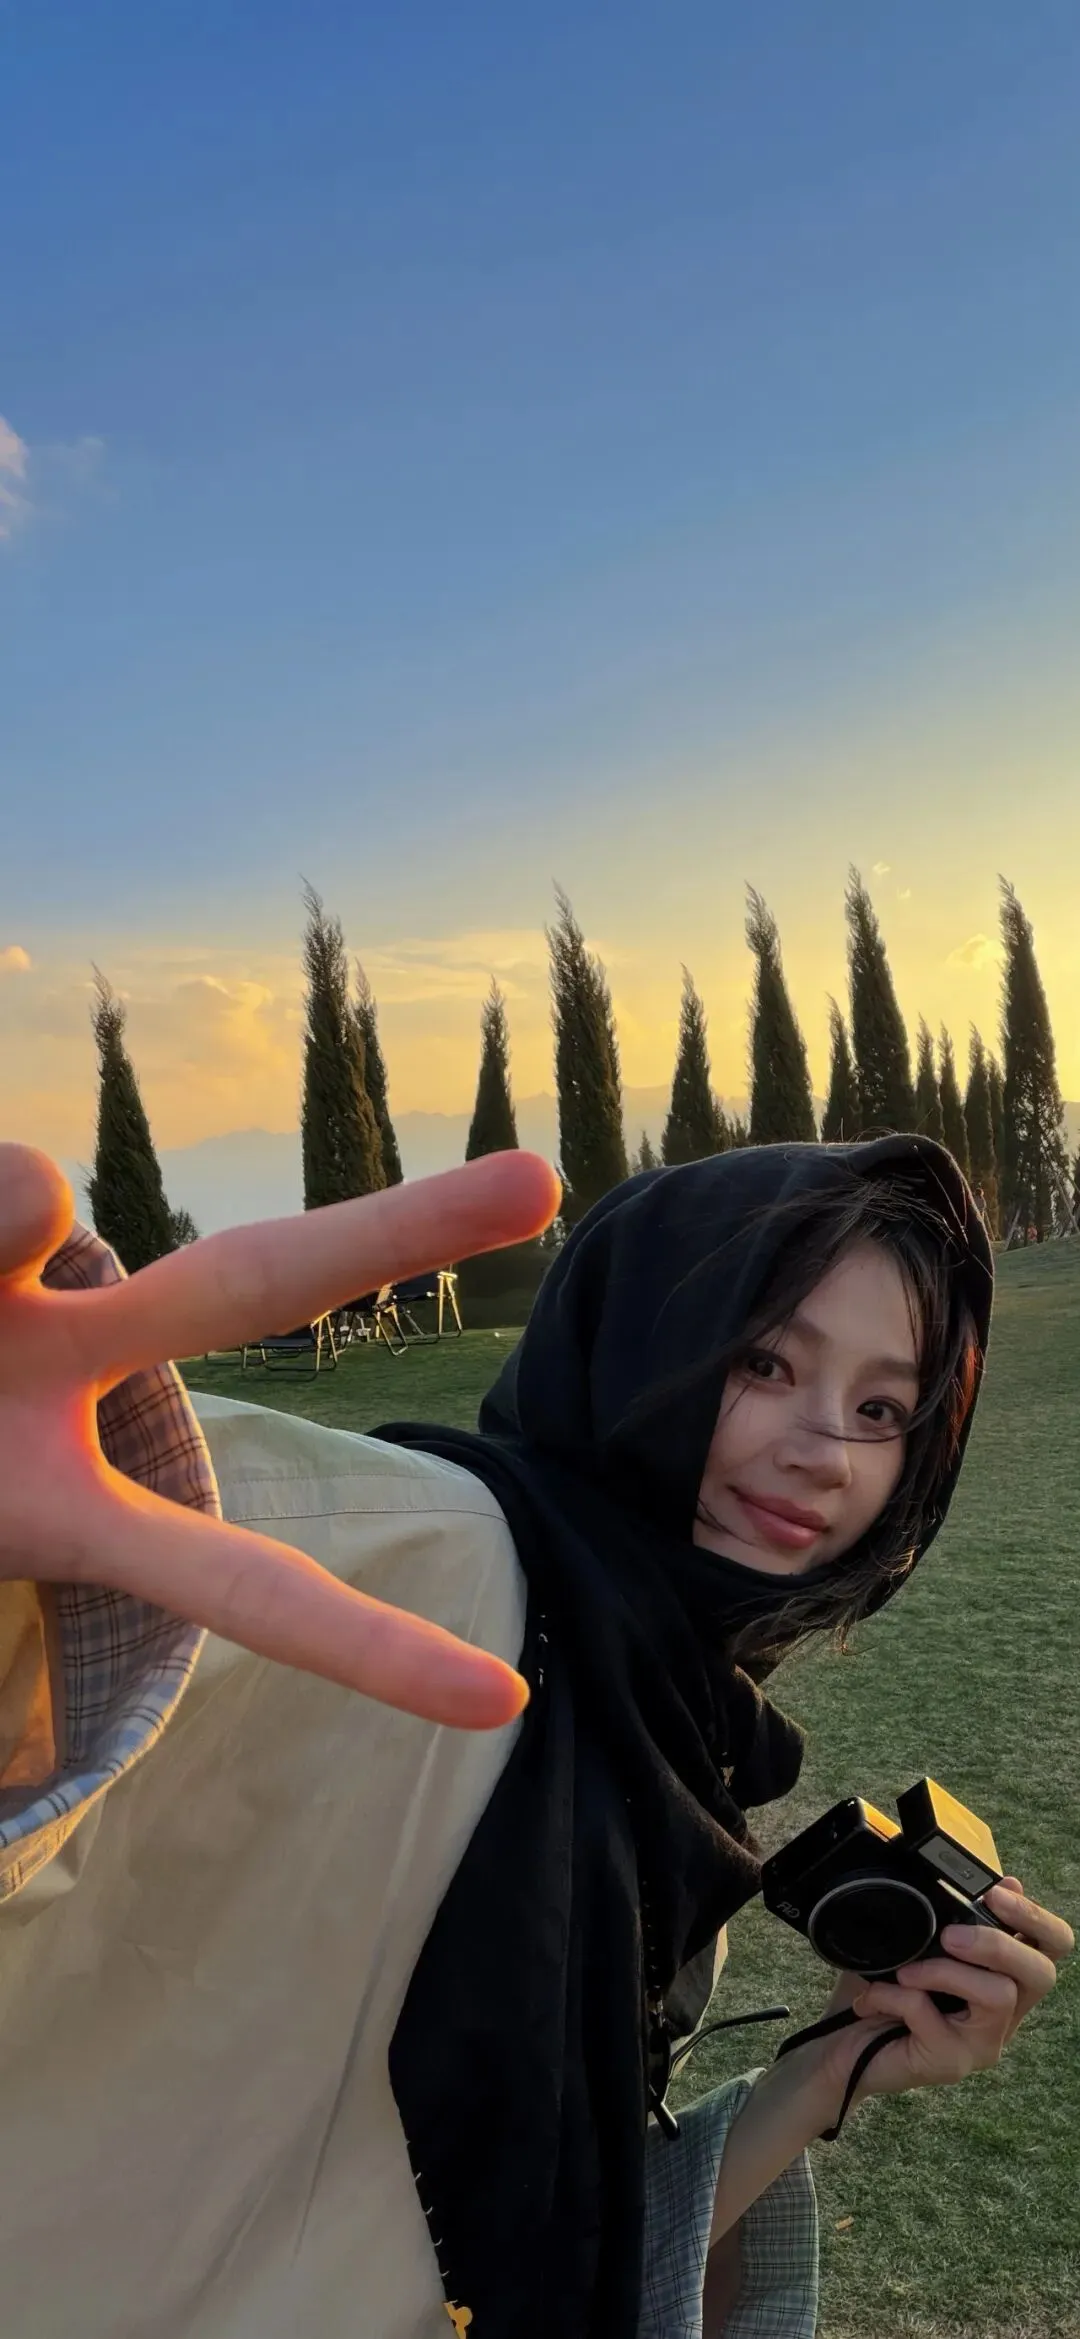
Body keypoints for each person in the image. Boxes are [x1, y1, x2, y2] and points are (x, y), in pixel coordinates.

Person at [0, 1134, 1070, 2339]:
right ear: (640, 1329)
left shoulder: (672, 1727)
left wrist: (829, 2067)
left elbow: (537, 2243)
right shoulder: (442, 1566)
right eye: (764, 1359)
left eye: (881, 1407)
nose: (824, 1450)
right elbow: (120, 1562)